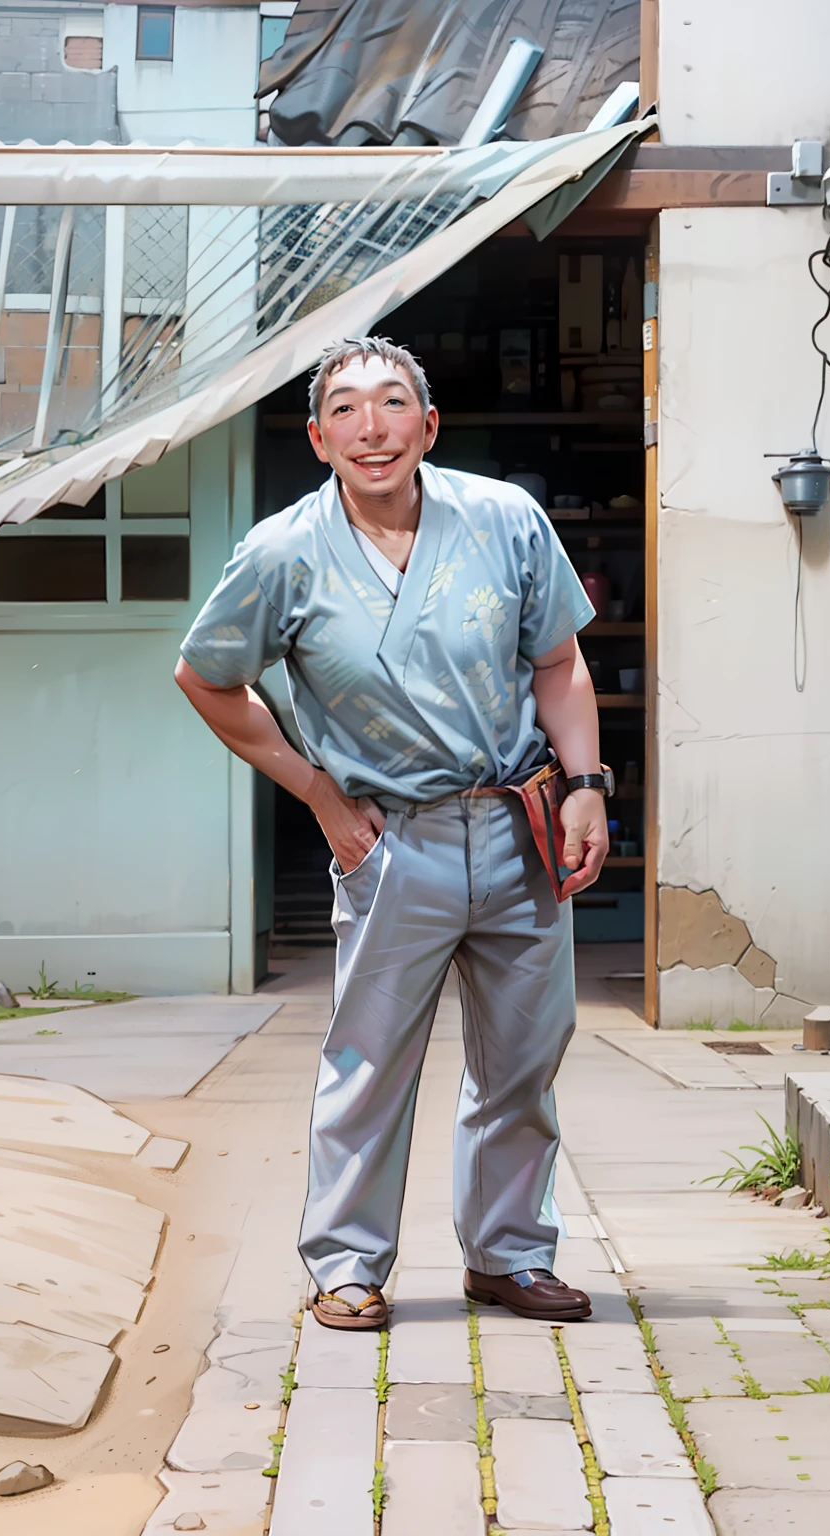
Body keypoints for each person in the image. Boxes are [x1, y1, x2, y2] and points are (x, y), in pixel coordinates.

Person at [175, 336, 610, 1329]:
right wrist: (320, 794)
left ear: (428, 423)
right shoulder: (282, 553)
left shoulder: (503, 521)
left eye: (392, 403)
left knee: (525, 1060)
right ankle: (347, 1264)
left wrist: (584, 784)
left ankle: (507, 1254)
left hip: (516, 829)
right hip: (390, 841)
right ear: (319, 437)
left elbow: (558, 661)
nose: (371, 427)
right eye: (346, 409)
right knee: (368, 1062)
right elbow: (206, 678)